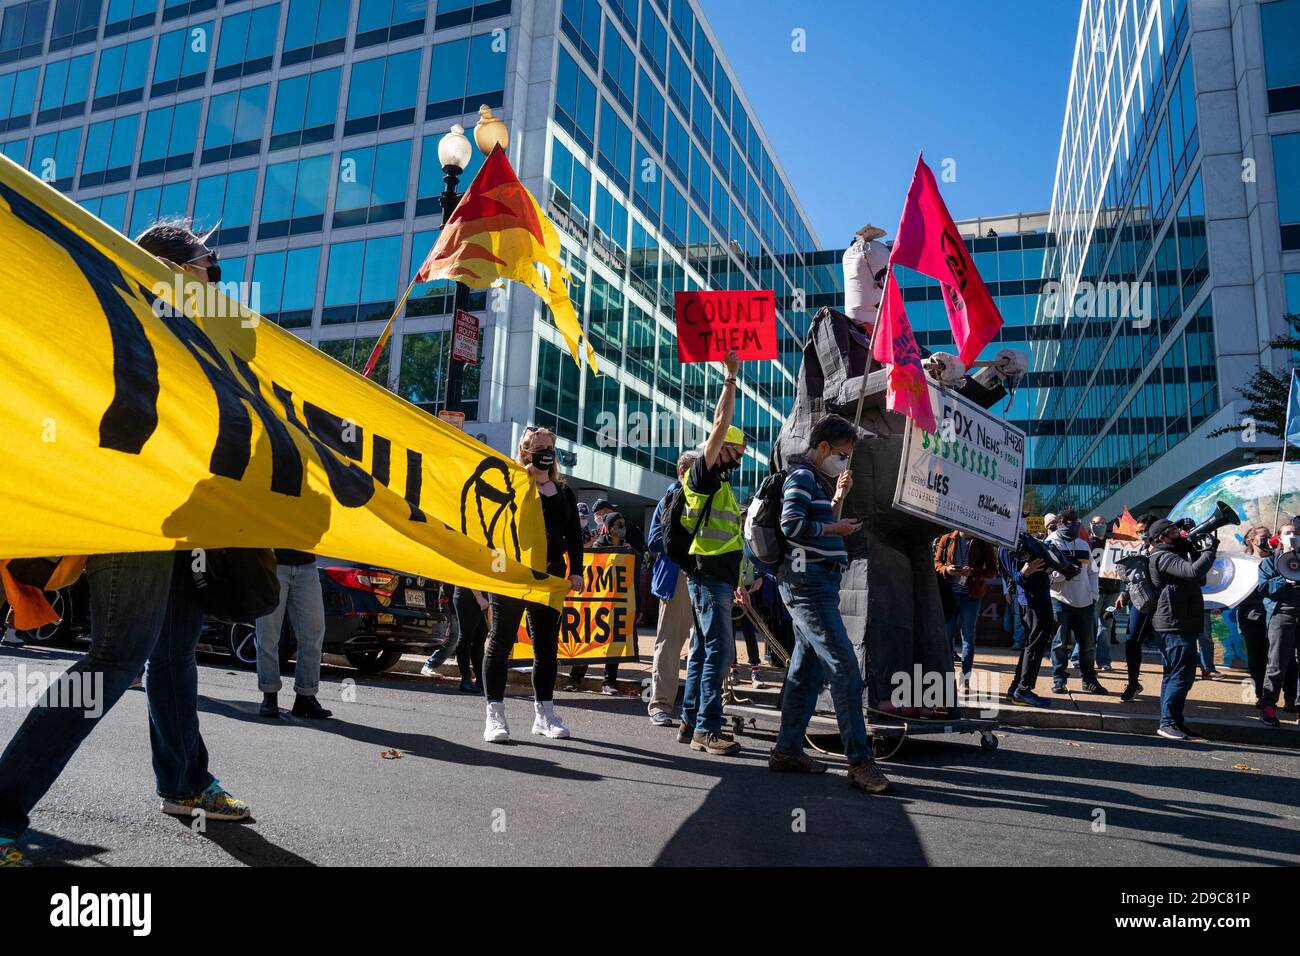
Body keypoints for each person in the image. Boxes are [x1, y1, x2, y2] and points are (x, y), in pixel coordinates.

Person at [0, 222, 249, 867]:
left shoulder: (201, 333)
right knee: (117, 660)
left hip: (183, 514)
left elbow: (242, 357)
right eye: (205, 267)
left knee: (174, 657)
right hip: (131, 506)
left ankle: (185, 783)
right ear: (163, 267)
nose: (215, 281)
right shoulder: (125, 314)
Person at [767, 413, 891, 794]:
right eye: (841, 454)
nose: (843, 461)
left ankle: (786, 750)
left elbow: (811, 525)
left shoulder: (815, 479)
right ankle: (859, 761)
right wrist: (835, 528)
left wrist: (836, 501)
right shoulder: (802, 477)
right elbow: (791, 526)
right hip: (808, 584)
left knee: (807, 672)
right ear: (822, 447)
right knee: (845, 668)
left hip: (816, 583)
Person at [481, 426, 584, 743]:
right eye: (537, 446)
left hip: (549, 576)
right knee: (501, 642)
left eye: (549, 446)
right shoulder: (512, 484)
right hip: (512, 574)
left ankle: (545, 713)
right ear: (524, 450)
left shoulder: (564, 490)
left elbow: (573, 537)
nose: (544, 451)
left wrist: (576, 571)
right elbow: (492, 526)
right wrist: (524, 475)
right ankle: (494, 716)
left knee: (546, 648)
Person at [676, 349, 747, 757]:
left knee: (704, 650)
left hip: (716, 578)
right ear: (720, 450)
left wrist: (738, 583)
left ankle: (690, 722)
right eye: (735, 452)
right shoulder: (703, 476)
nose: (738, 458)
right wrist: (731, 377)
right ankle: (708, 728)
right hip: (707, 577)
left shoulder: (720, 485)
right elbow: (720, 424)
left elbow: (730, 538)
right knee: (719, 651)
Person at [1146, 517, 1218, 740]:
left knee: (1176, 674)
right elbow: (1193, 572)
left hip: (1180, 622)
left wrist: (1195, 551)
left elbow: (1201, 578)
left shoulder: (1175, 555)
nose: (1179, 533)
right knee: (1181, 675)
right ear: (1161, 537)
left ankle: (1174, 721)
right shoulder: (1163, 556)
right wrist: (1210, 550)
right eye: (1174, 531)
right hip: (1173, 625)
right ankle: (1168, 723)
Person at [645, 453, 696, 726]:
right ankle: (660, 704)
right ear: (682, 471)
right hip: (678, 576)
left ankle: (702, 705)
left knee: (705, 643)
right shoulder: (671, 497)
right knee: (670, 643)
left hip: (703, 577)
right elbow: (654, 540)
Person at [254, 549, 332, 719]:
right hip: (272, 563)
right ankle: (269, 697)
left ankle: (306, 697)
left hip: (308, 565)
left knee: (313, 634)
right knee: (267, 636)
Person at [566, 510, 636, 695]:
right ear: (609, 527)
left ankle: (609, 682)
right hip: (596, 604)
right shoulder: (598, 547)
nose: (622, 528)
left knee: (614, 643)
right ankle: (575, 679)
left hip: (617, 603)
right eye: (618, 525)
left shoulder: (627, 549)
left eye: (623, 525)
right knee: (587, 639)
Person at [1047, 509, 1104, 694]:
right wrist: (1064, 574)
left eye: (1078, 521)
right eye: (1072, 521)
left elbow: (1092, 572)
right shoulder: (1051, 542)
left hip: (1085, 602)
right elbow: (1046, 575)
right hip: (1060, 600)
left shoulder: (1082, 544)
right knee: (1060, 643)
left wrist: (1093, 594)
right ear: (1062, 521)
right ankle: (1058, 679)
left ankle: (1089, 680)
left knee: (1088, 645)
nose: (1076, 525)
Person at [933, 528, 997, 691]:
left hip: (971, 595)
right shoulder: (947, 539)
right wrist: (947, 569)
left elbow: (992, 571)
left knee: (968, 636)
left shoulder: (982, 542)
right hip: (950, 595)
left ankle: (965, 679)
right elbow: (936, 563)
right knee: (946, 637)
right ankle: (948, 677)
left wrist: (973, 572)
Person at [1256, 521, 1300, 726]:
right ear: (1279, 538)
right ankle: (1268, 707)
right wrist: (1284, 580)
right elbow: (1264, 589)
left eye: (1296, 533)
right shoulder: (1269, 563)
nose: (1292, 536)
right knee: (1276, 663)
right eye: (1288, 533)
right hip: (1281, 616)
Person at [1005, 527, 1054, 708]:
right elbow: (1014, 577)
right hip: (1033, 603)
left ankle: (1016, 688)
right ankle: (1023, 690)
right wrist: (1026, 571)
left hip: (1038, 600)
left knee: (1030, 647)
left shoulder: (1019, 540)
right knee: (1033, 648)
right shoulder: (1006, 546)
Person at [1116, 514, 1154, 703]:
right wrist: (1124, 593)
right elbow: (1132, 578)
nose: (1141, 534)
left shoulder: (1166, 549)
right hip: (1141, 603)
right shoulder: (1138, 549)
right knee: (1132, 640)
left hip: (1163, 605)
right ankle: (1133, 683)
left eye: (1144, 530)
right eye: (1138, 531)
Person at [422, 586, 487, 692]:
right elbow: (469, 574)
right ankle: (466, 680)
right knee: (466, 638)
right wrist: (479, 596)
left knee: (479, 638)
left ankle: (480, 679)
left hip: (479, 594)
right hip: (467, 595)